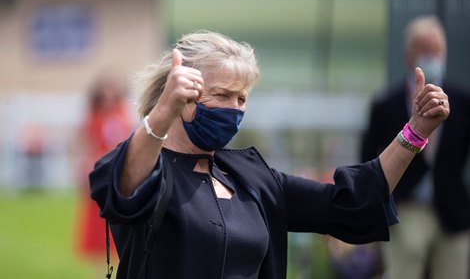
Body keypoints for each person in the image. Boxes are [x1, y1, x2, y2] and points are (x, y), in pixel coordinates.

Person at [89, 31, 449, 279]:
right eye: (222, 94)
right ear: (183, 97)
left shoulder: (250, 175)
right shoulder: (151, 171)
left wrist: (414, 133)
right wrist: (163, 112)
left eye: (241, 98)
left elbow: (349, 201)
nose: (234, 108)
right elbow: (121, 185)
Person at [361, 16, 470, 279]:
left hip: (451, 209)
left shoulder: (462, 102)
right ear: (410, 55)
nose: (433, 57)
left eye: (437, 50)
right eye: (425, 50)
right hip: (406, 207)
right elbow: (366, 159)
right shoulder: (387, 105)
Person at [76, 72, 134, 275]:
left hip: (117, 174)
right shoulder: (94, 117)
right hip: (99, 173)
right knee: (96, 223)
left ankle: (119, 264)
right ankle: (99, 268)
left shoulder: (123, 115)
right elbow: (86, 143)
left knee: (118, 220)